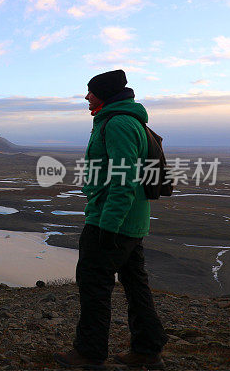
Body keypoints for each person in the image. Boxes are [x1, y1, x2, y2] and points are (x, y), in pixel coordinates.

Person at [54, 70, 168, 369]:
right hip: (131, 222)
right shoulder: (126, 120)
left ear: (104, 93)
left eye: (91, 91)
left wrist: (108, 225)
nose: (87, 96)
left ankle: (89, 353)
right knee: (135, 284)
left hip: (111, 221)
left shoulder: (117, 123)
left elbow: (124, 178)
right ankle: (147, 348)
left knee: (94, 286)